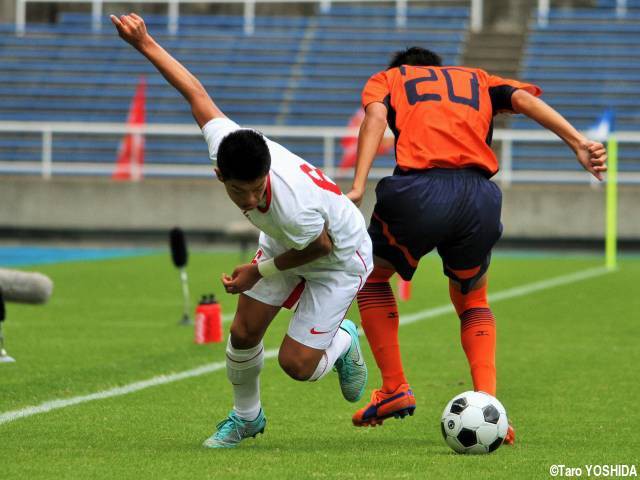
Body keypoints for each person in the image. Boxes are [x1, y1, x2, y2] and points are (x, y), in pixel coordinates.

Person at [111, 13, 372, 448]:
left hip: (339, 257)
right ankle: (247, 418)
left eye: (256, 190)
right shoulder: (227, 144)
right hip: (289, 242)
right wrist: (145, 42)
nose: (250, 200)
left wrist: (259, 271)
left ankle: (344, 340)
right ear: (219, 174)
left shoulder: (293, 205)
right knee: (243, 333)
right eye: (239, 192)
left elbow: (320, 246)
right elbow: (194, 91)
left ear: (268, 172)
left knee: (297, 365)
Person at [346, 47, 607, 443]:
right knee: (473, 300)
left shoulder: (392, 78)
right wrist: (577, 141)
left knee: (371, 278)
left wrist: (358, 186)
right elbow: (523, 99)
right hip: (479, 197)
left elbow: (376, 116)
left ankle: (395, 387)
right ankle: (491, 410)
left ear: (404, 68)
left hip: (418, 191)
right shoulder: (480, 79)